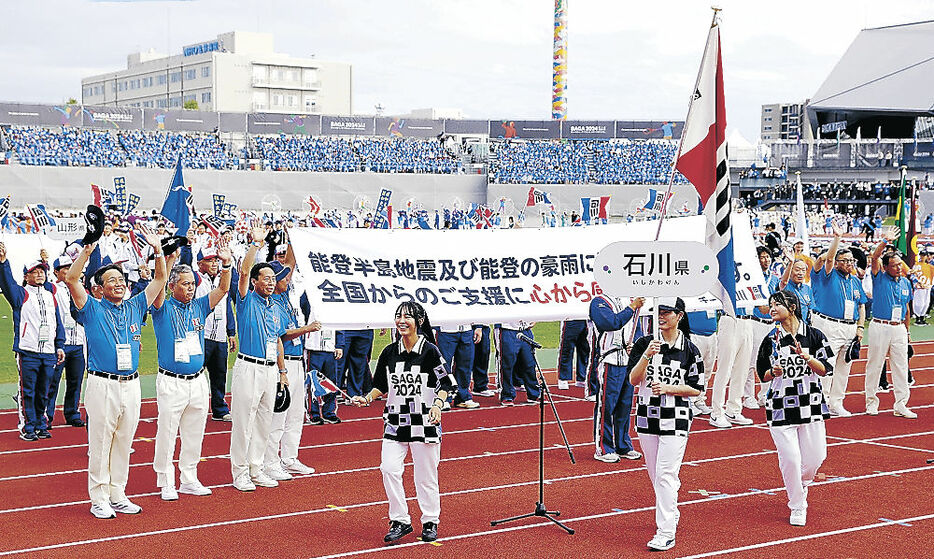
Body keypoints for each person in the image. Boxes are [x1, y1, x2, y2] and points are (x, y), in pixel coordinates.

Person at [64, 224, 166, 519]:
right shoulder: (91, 308)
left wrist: (157, 250)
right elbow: (72, 279)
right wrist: (87, 250)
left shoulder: (135, 306)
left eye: (121, 279)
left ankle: (118, 493)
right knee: (100, 441)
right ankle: (98, 498)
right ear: (98, 288)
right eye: (111, 280)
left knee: (124, 440)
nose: (119, 284)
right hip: (102, 384)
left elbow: (160, 279)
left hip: (131, 384)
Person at [351, 301, 455, 544]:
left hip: (425, 421)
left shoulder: (429, 351)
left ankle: (430, 520)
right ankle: (400, 519)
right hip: (395, 422)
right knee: (388, 468)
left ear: (418, 321)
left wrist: (438, 406)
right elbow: (380, 385)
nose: (401, 321)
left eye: (407, 316)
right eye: (398, 316)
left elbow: (447, 384)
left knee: (425, 475)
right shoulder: (389, 352)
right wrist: (366, 398)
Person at [150, 245, 233, 501]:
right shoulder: (162, 307)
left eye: (192, 284)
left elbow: (222, 289)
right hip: (172, 381)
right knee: (167, 432)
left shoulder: (199, 306)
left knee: (195, 431)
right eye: (185, 284)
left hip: (197, 380)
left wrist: (227, 265)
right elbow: (158, 282)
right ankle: (166, 480)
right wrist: (162, 257)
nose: (190, 288)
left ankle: (189, 477)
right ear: (173, 286)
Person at [627, 297, 703, 552]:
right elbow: (633, 379)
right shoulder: (644, 343)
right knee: (656, 475)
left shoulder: (690, 350)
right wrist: (647, 356)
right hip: (647, 417)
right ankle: (671, 509)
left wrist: (670, 388)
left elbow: (696, 388)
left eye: (668, 312)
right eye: (659, 311)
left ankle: (666, 530)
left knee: (665, 474)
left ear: (679, 316)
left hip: (677, 418)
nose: (662, 316)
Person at [755, 290, 834, 526]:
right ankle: (797, 505)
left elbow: (826, 368)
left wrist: (807, 358)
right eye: (770, 305)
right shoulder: (770, 339)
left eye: (777, 304)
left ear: (792, 306)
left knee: (816, 458)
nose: (772, 308)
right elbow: (762, 373)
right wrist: (773, 372)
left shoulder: (814, 335)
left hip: (810, 404)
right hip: (780, 406)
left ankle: (800, 485)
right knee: (790, 459)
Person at [229, 226, 289, 492]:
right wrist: (256, 244)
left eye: (272, 279)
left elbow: (277, 339)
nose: (270, 282)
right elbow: (243, 271)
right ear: (255, 281)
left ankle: (256, 467)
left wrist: (282, 370)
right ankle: (240, 472)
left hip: (269, 370)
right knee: (244, 422)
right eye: (265, 278)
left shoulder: (275, 307)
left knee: (265, 419)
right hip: (248, 366)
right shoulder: (245, 299)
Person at [0, 246, 65, 441]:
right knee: (27, 391)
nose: (39, 274)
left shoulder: (50, 295)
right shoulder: (20, 294)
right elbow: (7, 283)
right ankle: (27, 427)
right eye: (34, 272)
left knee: (44, 391)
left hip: (49, 351)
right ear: (26, 276)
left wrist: (59, 344)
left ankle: (41, 424)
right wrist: (3, 262)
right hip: (28, 351)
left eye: (42, 271)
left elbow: (57, 322)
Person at [265, 258, 321, 480]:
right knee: (279, 413)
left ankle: (289, 457)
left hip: (298, 360)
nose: (287, 279)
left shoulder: (288, 299)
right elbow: (282, 334)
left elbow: (290, 260)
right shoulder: (273, 303)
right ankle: (270, 461)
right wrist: (306, 329)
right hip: (284, 360)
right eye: (283, 277)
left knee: (296, 413)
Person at [811, 223, 867, 416]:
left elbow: (861, 305)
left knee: (844, 366)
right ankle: (821, 401)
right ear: (837, 262)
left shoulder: (854, 281)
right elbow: (828, 259)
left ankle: (837, 402)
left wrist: (860, 327)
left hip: (850, 327)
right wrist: (837, 238)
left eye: (852, 261)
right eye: (845, 261)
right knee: (826, 364)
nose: (850, 264)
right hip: (829, 324)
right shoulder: (827, 275)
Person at [863, 235, 915, 418]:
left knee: (901, 366)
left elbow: (907, 309)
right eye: (894, 265)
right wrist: (885, 241)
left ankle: (901, 404)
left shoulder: (905, 282)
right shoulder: (879, 277)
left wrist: (907, 331)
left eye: (900, 264)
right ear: (886, 267)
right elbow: (875, 257)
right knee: (875, 365)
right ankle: (871, 402)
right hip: (880, 325)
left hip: (899, 327)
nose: (899, 267)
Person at [589, 294, 645, 463]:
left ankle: (623, 444)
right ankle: (603, 447)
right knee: (607, 405)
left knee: (625, 406)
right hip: (609, 361)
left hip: (628, 362)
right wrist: (631, 308)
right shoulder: (599, 302)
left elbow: (637, 331)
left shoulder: (631, 302)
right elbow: (611, 323)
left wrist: (635, 346)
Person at [194, 245, 237, 422]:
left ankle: (219, 408)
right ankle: (194, 407)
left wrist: (231, 333)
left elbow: (228, 307)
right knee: (195, 374)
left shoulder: (222, 280)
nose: (214, 264)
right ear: (199, 263)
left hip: (219, 335)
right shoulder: (196, 279)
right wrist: (188, 246)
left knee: (219, 374)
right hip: (200, 335)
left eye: (215, 260)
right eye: (209, 260)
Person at [46, 255, 86, 428]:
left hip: (78, 342)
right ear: (56, 272)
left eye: (72, 267)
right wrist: (45, 261)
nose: (70, 270)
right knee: (52, 381)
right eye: (65, 268)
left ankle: (72, 412)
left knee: (75, 380)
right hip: (60, 343)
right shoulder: (53, 288)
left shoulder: (80, 288)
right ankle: (46, 414)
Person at [434, 322, 480, 409]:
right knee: (444, 365)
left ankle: (462, 397)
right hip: (446, 330)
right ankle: (443, 398)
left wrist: (478, 326)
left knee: (465, 364)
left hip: (466, 330)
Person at [495, 321, 541, 405]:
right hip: (507, 329)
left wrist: (534, 318)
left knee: (529, 363)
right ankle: (507, 395)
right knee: (506, 363)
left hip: (525, 330)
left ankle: (534, 394)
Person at [557, 319, 589, 391]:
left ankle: (582, 377)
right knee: (567, 348)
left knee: (585, 348)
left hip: (586, 317)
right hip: (571, 318)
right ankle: (563, 377)